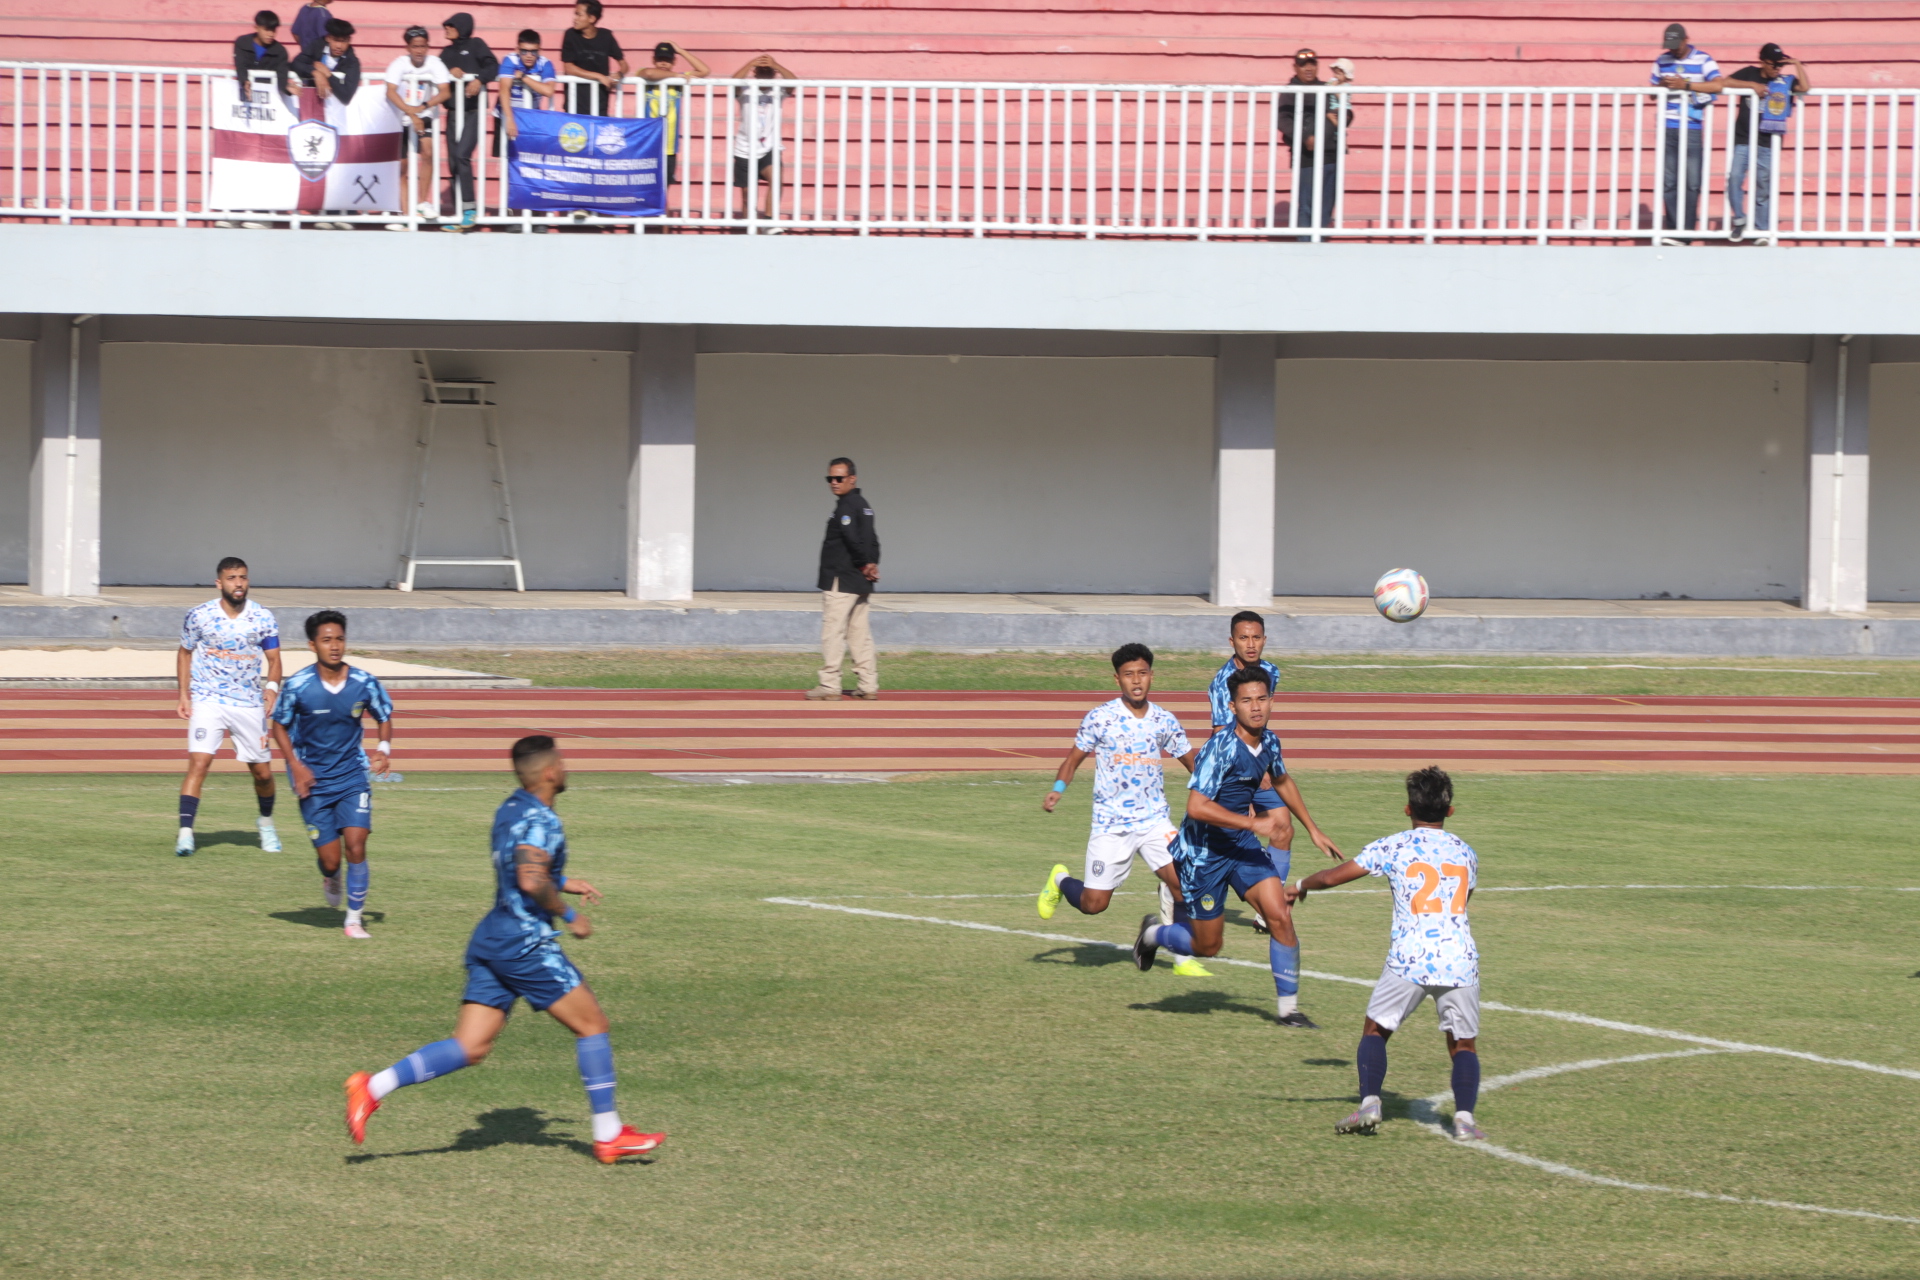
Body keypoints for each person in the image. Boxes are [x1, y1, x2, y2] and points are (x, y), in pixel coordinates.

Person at [343, 735, 666, 1164]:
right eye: (562, 762)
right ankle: (608, 1134)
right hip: (525, 943)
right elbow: (532, 880)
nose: (566, 768)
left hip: (492, 938)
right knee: (593, 1026)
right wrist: (571, 917)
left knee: (469, 1047)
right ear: (549, 772)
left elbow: (523, 867)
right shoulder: (543, 820)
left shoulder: (510, 807)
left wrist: (566, 881)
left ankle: (372, 1087)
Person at [1132, 666, 1343, 1028]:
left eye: (1262, 698)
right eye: (1247, 700)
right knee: (1208, 947)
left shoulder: (1270, 742)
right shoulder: (1221, 747)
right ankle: (1152, 934)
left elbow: (1281, 779)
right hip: (1204, 854)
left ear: (1272, 701)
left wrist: (1312, 828)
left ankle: (1287, 1011)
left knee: (1280, 916)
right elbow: (1196, 807)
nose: (1256, 707)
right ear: (1232, 706)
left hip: (1241, 846)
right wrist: (1253, 822)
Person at [1292, 767, 1484, 1141]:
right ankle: (1464, 1120)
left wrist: (1299, 886)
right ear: (1450, 811)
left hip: (1410, 956)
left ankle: (1370, 1104)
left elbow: (1332, 877)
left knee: (1375, 1030)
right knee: (1463, 1042)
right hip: (1459, 956)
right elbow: (1463, 902)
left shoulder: (1392, 845)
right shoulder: (1466, 852)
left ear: (1407, 808)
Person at [1036, 644, 1210, 978]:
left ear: (1152, 676)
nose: (1137, 681)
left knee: (1184, 883)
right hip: (1111, 825)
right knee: (1094, 905)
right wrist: (1057, 791)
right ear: (1117, 679)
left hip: (1154, 821)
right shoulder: (1100, 717)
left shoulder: (1164, 720)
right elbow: (1072, 761)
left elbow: (1193, 763)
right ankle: (1059, 880)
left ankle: (1182, 956)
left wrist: (1220, 791)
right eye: (1129, 674)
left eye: (1142, 673)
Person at [267, 610, 393, 940]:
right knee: (332, 860)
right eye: (326, 640)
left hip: (352, 776)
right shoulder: (297, 685)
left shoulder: (364, 682)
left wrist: (383, 749)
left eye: (339, 639)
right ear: (312, 645)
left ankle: (353, 919)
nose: (334, 646)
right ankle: (330, 876)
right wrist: (295, 765)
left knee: (356, 844)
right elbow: (278, 725)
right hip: (313, 782)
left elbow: (384, 715)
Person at [175, 556, 282, 857]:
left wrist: (272, 690)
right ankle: (185, 834)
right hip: (208, 700)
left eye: (243, 578)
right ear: (219, 582)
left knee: (262, 773)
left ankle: (266, 823)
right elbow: (184, 653)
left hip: (248, 704)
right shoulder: (199, 615)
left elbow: (274, 660)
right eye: (233, 578)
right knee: (199, 763)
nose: (239, 583)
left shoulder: (263, 617)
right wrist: (184, 694)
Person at [1209, 610, 1286, 933]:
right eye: (1243, 638)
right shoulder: (1220, 682)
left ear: (1264, 640)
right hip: (1230, 769)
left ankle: (1269, 910)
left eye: (1256, 637)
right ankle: (1183, 883)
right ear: (1232, 641)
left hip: (1259, 764)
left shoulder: (1271, 672)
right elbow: (1217, 733)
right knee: (1235, 838)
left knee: (1283, 827)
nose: (1250, 644)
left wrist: (1263, 762)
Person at [807, 457, 880, 700]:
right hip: (859, 581)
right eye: (830, 479)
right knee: (859, 633)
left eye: (839, 478)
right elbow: (872, 540)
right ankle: (868, 685)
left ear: (852, 479)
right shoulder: (863, 505)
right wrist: (871, 564)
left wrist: (863, 564)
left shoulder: (846, 507)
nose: (834, 483)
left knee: (833, 632)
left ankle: (829, 686)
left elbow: (852, 539)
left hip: (842, 579)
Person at [1726, 43, 1809, 241]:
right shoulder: (1749, 73)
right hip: (1744, 138)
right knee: (1735, 178)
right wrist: (1751, 86)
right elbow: (1725, 82)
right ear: (1763, 61)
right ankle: (1739, 220)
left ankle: (1761, 230)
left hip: (1768, 142)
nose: (1777, 69)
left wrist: (1796, 64)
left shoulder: (1784, 80)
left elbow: (1804, 87)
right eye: (1774, 65)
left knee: (1763, 186)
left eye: (1781, 65)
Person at [1650, 23, 1724, 243]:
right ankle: (1673, 230)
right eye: (1670, 46)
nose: (1673, 50)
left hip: (1692, 125)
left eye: (1676, 45)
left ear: (1686, 40)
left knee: (1692, 182)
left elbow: (1718, 85)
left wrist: (1687, 85)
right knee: (1669, 181)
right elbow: (1651, 94)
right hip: (1668, 125)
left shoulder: (1703, 59)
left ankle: (1687, 231)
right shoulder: (1661, 61)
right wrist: (1661, 86)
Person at [290, 17, 361, 229]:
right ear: (328, 37)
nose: (340, 45)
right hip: (313, 117)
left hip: (340, 121)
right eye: (336, 40)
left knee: (339, 161)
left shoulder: (352, 60)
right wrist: (314, 71)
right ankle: (322, 210)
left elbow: (346, 94)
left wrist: (327, 75)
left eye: (344, 40)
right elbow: (296, 63)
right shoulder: (316, 46)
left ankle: (342, 211)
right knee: (317, 159)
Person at [1275, 49, 1351, 236]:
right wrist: (1304, 137)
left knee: (1326, 206)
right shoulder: (1289, 92)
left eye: (1312, 64)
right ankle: (1304, 249)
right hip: (1306, 157)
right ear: (1295, 68)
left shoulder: (1328, 88)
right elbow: (1283, 121)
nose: (1308, 68)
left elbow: (1347, 113)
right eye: (1303, 65)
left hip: (1330, 155)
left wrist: (1343, 116)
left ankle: (1319, 248)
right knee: (1307, 205)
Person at [385, 26, 453, 224]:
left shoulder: (435, 63)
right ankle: (404, 213)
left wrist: (423, 107)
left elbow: (445, 92)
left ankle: (422, 203)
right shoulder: (399, 63)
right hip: (401, 118)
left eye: (423, 46)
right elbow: (390, 91)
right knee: (402, 167)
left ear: (428, 46)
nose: (419, 50)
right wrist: (410, 111)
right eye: (415, 46)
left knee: (429, 153)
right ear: (408, 47)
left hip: (424, 115)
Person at [438, 13, 499, 231]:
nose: (446, 28)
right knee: (454, 161)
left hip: (473, 111)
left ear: (462, 27)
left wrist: (478, 80)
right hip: (454, 111)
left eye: (450, 25)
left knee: (463, 155)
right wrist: (448, 71)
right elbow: (434, 72)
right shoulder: (445, 52)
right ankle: (460, 212)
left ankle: (470, 211)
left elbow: (493, 66)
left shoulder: (476, 45)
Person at [640, 41, 710, 211]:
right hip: (648, 145)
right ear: (653, 59)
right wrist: (677, 76)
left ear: (674, 61)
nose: (664, 63)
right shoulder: (651, 77)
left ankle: (664, 231)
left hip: (669, 146)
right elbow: (647, 73)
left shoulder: (677, 80)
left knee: (664, 191)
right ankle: (640, 227)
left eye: (668, 60)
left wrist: (680, 50)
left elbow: (704, 71)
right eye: (660, 59)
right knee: (645, 189)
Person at [732, 55, 796, 220]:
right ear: (755, 73)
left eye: (768, 72)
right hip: (744, 148)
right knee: (747, 195)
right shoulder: (746, 89)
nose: (764, 76)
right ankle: (750, 229)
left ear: (774, 74)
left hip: (769, 146)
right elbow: (734, 81)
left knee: (776, 180)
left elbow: (794, 82)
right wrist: (750, 63)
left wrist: (776, 65)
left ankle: (768, 221)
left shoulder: (778, 90)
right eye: (761, 71)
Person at [496, 29, 559, 150]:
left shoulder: (545, 63)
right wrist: (509, 119)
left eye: (533, 52)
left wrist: (524, 77)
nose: (529, 56)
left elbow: (549, 91)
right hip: (507, 114)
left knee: (529, 156)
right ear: (517, 50)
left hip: (531, 116)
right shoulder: (510, 60)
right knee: (505, 158)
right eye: (524, 51)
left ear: (539, 51)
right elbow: (504, 90)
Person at [561, 0, 627, 116]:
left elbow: (624, 64)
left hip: (600, 103)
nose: (574, 18)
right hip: (574, 103)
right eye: (575, 14)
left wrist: (619, 75)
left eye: (579, 14)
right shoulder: (570, 35)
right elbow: (569, 68)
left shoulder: (606, 36)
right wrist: (599, 77)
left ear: (591, 18)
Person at [233, 10, 293, 96]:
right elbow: (241, 66)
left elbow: (282, 76)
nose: (271, 34)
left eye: (273, 30)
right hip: (244, 95)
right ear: (256, 27)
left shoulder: (280, 51)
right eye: (267, 30)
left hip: (268, 98)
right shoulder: (242, 43)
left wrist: (288, 89)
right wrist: (244, 82)